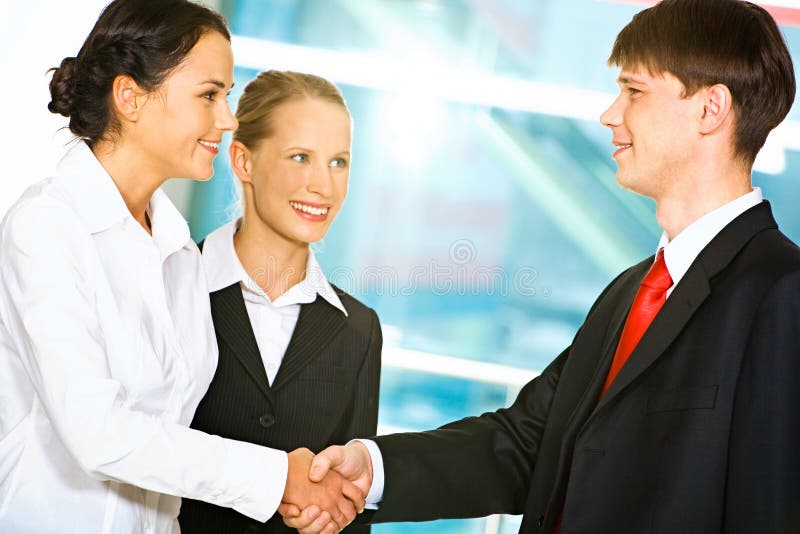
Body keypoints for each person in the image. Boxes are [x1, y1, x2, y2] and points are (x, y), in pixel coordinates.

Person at [282, 0, 800, 533]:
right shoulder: (633, 290)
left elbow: (770, 508)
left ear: (711, 110)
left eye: (635, 91)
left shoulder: (782, 293)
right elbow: (529, 443)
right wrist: (373, 470)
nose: (610, 114)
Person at [0, 2, 363, 533]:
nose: (228, 119)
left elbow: (168, 438)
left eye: (228, 97)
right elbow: (99, 432)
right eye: (209, 95)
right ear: (130, 97)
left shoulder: (178, 251)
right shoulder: (46, 228)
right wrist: (277, 477)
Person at [178, 70, 381, 534]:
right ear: (243, 161)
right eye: (300, 157)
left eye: (338, 162)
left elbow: (351, 510)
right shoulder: (173, 287)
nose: (323, 187)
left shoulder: (359, 331)